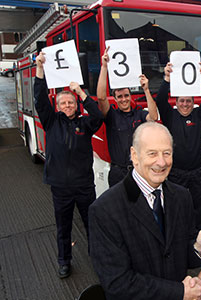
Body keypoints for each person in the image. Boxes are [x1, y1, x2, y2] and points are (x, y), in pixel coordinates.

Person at [89, 122, 201, 300]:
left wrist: (198, 248)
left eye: (167, 153)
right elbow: (117, 283)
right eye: (152, 153)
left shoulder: (182, 197)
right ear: (135, 155)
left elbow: (177, 256)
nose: (161, 162)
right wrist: (180, 292)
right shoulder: (104, 211)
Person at [34, 52, 103, 278]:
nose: (67, 105)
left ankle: (98, 259)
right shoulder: (51, 121)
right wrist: (40, 70)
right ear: (58, 105)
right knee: (63, 228)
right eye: (63, 103)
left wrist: (81, 92)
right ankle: (64, 261)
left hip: (84, 185)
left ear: (76, 104)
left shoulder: (85, 123)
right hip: (60, 188)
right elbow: (40, 99)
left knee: (91, 224)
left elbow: (98, 115)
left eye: (70, 102)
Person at [155, 62, 201, 230]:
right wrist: (166, 79)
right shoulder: (170, 116)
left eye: (189, 101)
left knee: (200, 208)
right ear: (176, 101)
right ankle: (178, 235)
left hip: (198, 173)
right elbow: (160, 100)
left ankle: (199, 237)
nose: (185, 104)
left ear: (193, 102)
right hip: (176, 173)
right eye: (182, 101)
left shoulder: (199, 115)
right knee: (176, 208)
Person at [97, 46, 158, 187]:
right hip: (118, 173)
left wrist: (146, 89)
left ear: (130, 96)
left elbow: (153, 117)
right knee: (118, 208)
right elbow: (100, 97)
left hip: (138, 171)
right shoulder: (111, 115)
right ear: (115, 99)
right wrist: (104, 66)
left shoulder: (139, 113)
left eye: (126, 95)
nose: (123, 99)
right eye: (119, 97)